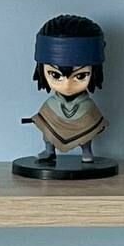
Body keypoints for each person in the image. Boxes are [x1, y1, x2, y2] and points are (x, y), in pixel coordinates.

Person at [27, 15, 108, 164]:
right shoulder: (51, 104)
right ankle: (49, 150)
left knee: (86, 132)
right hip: (55, 109)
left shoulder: (87, 105)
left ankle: (87, 150)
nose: (67, 85)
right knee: (47, 129)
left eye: (80, 76)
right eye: (55, 75)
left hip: (82, 108)